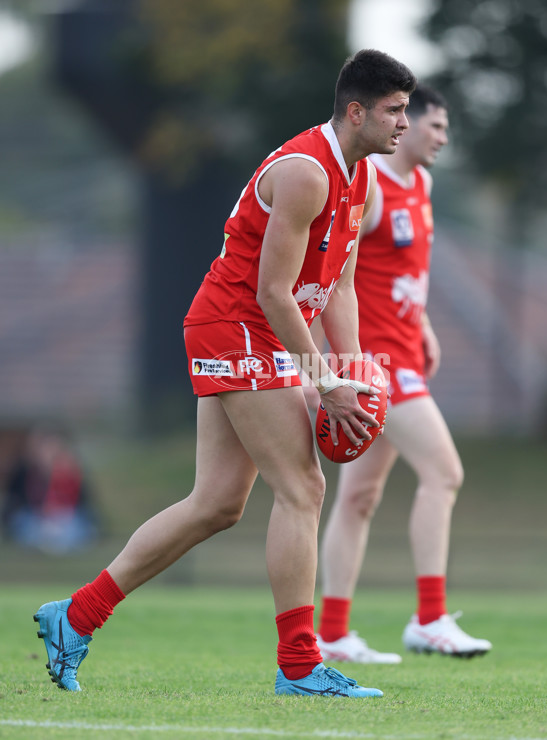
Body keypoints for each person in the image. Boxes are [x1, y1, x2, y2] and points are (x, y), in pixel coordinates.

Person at [33, 49, 417, 697]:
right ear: (357, 112)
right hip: (239, 326)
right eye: (395, 111)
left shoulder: (362, 178)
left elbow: (341, 286)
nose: (404, 124)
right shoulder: (306, 172)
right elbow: (272, 293)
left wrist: (351, 370)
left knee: (214, 505)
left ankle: (75, 617)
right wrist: (325, 381)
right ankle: (299, 665)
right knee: (303, 487)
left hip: (255, 330)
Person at [315, 86, 492, 663]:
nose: (442, 137)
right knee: (445, 473)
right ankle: (430, 619)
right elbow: (336, 276)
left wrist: (426, 325)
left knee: (359, 497)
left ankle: (333, 633)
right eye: (434, 125)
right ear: (404, 122)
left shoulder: (424, 185)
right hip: (379, 364)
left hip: (407, 353)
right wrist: (335, 362)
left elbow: (404, 272)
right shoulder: (370, 189)